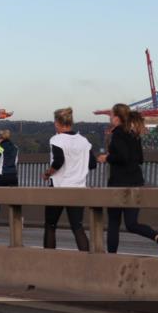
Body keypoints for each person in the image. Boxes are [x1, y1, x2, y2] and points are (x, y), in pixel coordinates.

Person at [97, 104, 158, 256]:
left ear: (117, 118)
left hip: (118, 183)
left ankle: (112, 258)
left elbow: (123, 157)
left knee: (114, 222)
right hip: (136, 182)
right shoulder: (134, 133)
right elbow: (140, 159)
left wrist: (107, 157)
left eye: (111, 115)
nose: (110, 118)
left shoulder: (118, 133)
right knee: (132, 224)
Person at [42, 107, 95, 251]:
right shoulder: (84, 141)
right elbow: (92, 164)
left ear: (58, 122)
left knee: (51, 225)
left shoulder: (57, 139)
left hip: (59, 188)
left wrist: (48, 173)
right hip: (78, 189)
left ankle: (48, 259)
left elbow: (58, 161)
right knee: (77, 227)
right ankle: (88, 262)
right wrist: (77, 169)